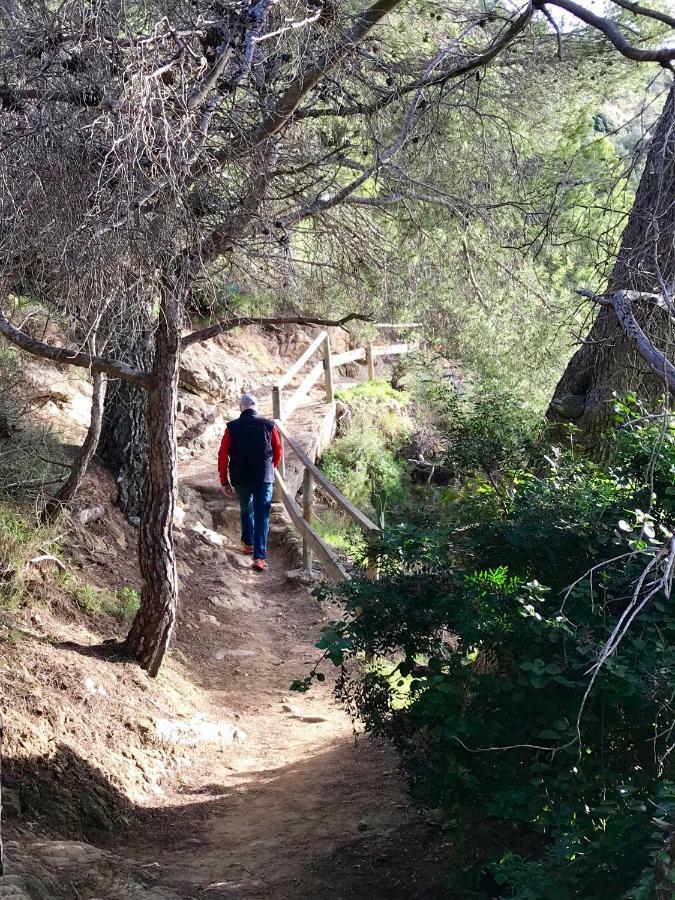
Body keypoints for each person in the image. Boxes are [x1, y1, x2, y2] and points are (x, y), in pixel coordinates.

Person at [218, 393, 283, 571]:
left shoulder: (231, 428)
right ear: (256, 408)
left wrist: (224, 481)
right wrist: (272, 467)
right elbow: (278, 451)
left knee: (246, 507)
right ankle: (259, 558)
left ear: (241, 408)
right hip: (264, 476)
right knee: (262, 514)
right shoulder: (269, 425)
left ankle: (248, 544)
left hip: (240, 477)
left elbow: (223, 455)